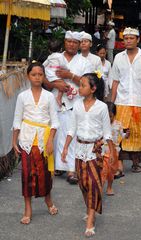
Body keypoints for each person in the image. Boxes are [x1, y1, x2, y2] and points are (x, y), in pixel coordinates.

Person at [61, 72, 115, 237]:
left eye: (83, 85)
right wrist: (65, 148)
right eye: (80, 84)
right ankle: (89, 208)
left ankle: (90, 221)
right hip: (79, 150)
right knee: (83, 184)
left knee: (93, 184)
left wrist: (112, 151)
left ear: (93, 88)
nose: (80, 88)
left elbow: (107, 133)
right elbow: (71, 129)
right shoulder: (77, 105)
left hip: (95, 152)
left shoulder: (101, 107)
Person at [12, 62, 60, 224]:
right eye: (34, 74)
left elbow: (54, 122)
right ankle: (28, 207)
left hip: (44, 140)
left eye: (40, 74)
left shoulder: (49, 96)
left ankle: (48, 200)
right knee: (26, 174)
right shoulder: (22, 96)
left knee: (45, 174)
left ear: (44, 76)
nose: (37, 77)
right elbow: (17, 120)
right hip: (26, 140)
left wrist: (50, 141)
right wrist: (14, 142)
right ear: (28, 76)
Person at [43, 31, 93, 184]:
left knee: (72, 135)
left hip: (76, 103)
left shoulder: (84, 62)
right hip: (56, 102)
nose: (71, 44)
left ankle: (71, 169)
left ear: (79, 45)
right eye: (69, 41)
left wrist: (69, 75)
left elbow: (89, 83)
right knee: (56, 134)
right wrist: (55, 84)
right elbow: (43, 77)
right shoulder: (55, 58)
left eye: (75, 42)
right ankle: (57, 166)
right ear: (64, 42)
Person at [111, 27, 141, 174]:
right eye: (126, 38)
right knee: (120, 131)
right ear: (123, 40)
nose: (128, 41)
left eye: (131, 38)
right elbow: (115, 81)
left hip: (139, 101)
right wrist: (111, 103)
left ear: (138, 40)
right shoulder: (118, 57)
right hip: (121, 101)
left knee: (137, 133)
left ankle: (136, 162)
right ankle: (119, 163)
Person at [101, 102, 130, 195]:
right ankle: (100, 188)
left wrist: (127, 135)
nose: (109, 119)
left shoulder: (118, 124)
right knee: (103, 170)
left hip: (114, 152)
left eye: (111, 116)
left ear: (114, 114)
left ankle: (109, 187)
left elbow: (123, 136)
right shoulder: (101, 124)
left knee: (111, 172)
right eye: (107, 116)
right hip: (103, 151)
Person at [43, 40, 77, 107]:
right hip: (56, 73)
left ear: (49, 50)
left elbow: (43, 65)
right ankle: (61, 96)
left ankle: (69, 90)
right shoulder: (60, 56)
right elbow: (63, 64)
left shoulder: (49, 57)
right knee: (62, 85)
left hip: (50, 74)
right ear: (61, 49)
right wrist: (67, 70)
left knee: (61, 84)